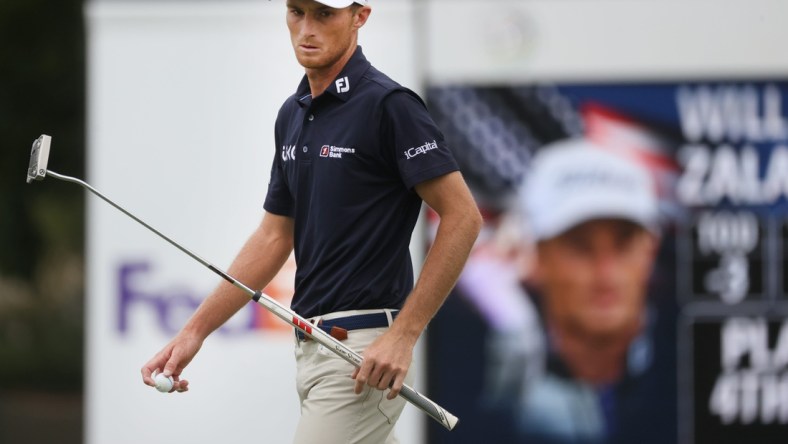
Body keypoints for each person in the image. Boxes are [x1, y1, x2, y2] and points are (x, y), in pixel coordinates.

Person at [140, 1, 482, 443]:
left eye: (324, 14)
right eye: (297, 11)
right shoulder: (293, 114)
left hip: (364, 352)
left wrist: (403, 335)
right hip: (313, 350)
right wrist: (193, 332)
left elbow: (463, 217)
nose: (306, 29)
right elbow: (273, 236)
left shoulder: (390, 105)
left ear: (359, 16)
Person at [484, 138, 676, 443]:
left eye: (624, 243)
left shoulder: (691, 365)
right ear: (536, 256)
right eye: (580, 246)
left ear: (650, 251)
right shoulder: (481, 376)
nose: (606, 274)